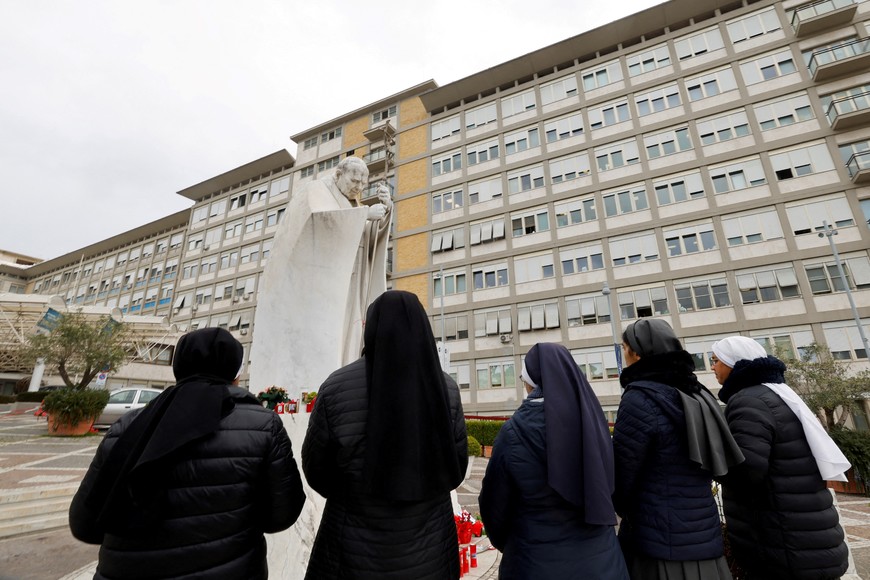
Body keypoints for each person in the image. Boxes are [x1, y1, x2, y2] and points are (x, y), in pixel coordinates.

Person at [69, 327, 306, 580]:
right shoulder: (264, 426)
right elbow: (281, 516)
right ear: (234, 373)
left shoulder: (128, 426)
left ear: (177, 367)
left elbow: (85, 523)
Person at [302, 290, 468, 580]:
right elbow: (457, 467)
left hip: (351, 548)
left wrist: (353, 497)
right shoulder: (447, 389)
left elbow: (316, 467)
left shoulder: (336, 387)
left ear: (372, 328)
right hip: (429, 552)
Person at [479, 342, 629, 580]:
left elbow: (494, 506)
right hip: (602, 564)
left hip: (534, 563)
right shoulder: (594, 422)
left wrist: (512, 545)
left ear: (532, 382)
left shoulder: (513, 432)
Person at [250, 155, 392, 398]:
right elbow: (317, 222)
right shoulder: (316, 191)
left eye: (362, 184)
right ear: (338, 174)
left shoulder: (352, 204)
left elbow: (363, 237)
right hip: (320, 289)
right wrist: (365, 215)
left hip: (350, 281)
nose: (358, 187)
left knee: (350, 334)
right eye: (354, 181)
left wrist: (385, 212)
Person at [613, 319, 743, 580]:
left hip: (658, 537)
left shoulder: (639, 397)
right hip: (703, 531)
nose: (623, 354)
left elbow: (623, 471)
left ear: (637, 352)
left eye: (624, 348)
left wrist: (619, 506)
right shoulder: (698, 392)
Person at [711, 336, 850, 580]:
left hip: (782, 541)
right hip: (806, 537)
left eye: (716, 360)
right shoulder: (777, 395)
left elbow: (746, 471)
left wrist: (710, 458)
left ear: (733, 363)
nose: (712, 367)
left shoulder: (748, 401)